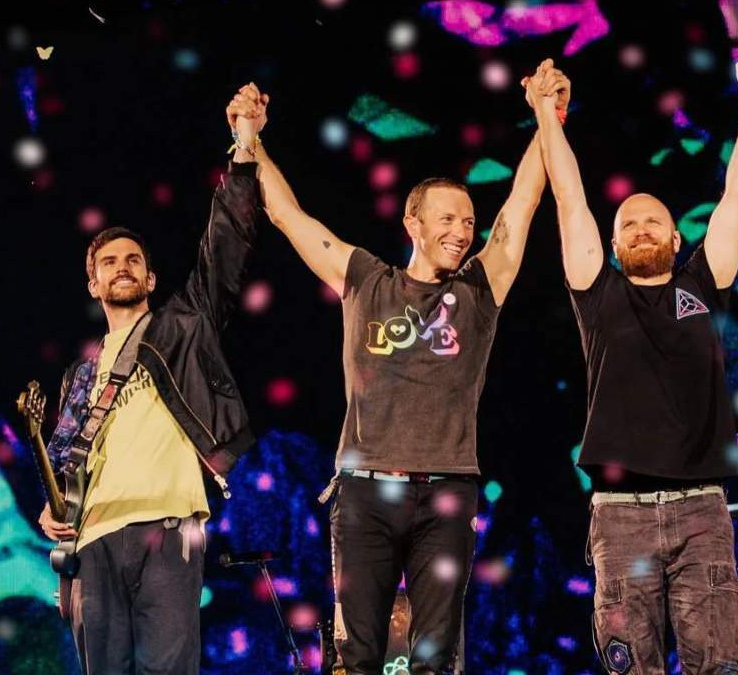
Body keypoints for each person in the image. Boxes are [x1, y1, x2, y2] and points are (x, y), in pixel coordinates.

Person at [228, 64, 561, 673]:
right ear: (413, 224)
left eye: (468, 222)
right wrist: (251, 140)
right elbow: (288, 216)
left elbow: (523, 202)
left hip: (448, 493)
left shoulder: (480, 288)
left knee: (436, 655)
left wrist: (547, 116)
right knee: (357, 654)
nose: (462, 232)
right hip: (365, 492)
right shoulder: (365, 280)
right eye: (447, 219)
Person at [526, 53, 738, 673]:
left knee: (718, 665)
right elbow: (569, 197)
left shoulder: (704, 283)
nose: (639, 228)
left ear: (676, 238)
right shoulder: (597, 292)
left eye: (652, 220)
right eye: (627, 223)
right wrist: (547, 114)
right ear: (611, 244)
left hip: (702, 510)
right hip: (618, 516)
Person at [36, 85, 265, 674]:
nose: (122, 267)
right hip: (92, 540)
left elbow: (225, 246)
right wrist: (50, 509)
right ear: (93, 284)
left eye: (133, 259)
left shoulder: (182, 326)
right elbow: (62, 460)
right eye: (109, 262)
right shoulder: (80, 376)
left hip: (169, 525)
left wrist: (244, 146)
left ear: (151, 278)